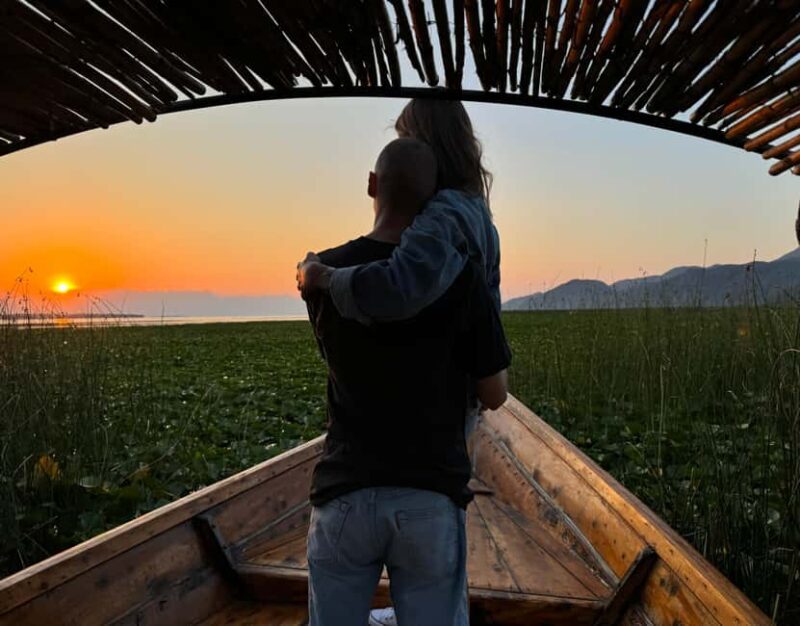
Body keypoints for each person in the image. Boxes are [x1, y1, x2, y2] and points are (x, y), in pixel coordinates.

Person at [299, 137, 511, 626]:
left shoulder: (321, 273)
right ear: (434, 199)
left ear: (372, 185)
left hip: (344, 494)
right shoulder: (463, 276)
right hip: (429, 498)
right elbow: (493, 393)